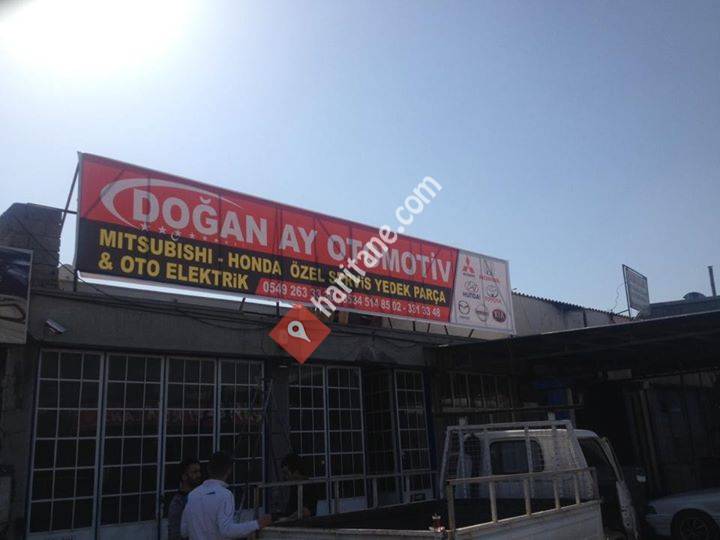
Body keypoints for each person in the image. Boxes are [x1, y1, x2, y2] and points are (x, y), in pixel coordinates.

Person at [181, 451, 272, 539]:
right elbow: (226, 530)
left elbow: (184, 531)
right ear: (229, 470)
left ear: (208, 469)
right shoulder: (225, 495)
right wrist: (257, 524)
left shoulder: (192, 495)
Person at [167, 458, 203, 540]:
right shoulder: (178, 503)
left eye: (199, 471)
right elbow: (175, 533)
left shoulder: (199, 496)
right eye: (194, 472)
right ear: (184, 476)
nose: (199, 475)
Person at [280, 453, 319, 519]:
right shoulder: (294, 486)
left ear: (296, 472)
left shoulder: (309, 486)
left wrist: (286, 519)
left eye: (286, 473)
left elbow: (306, 512)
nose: (284, 477)